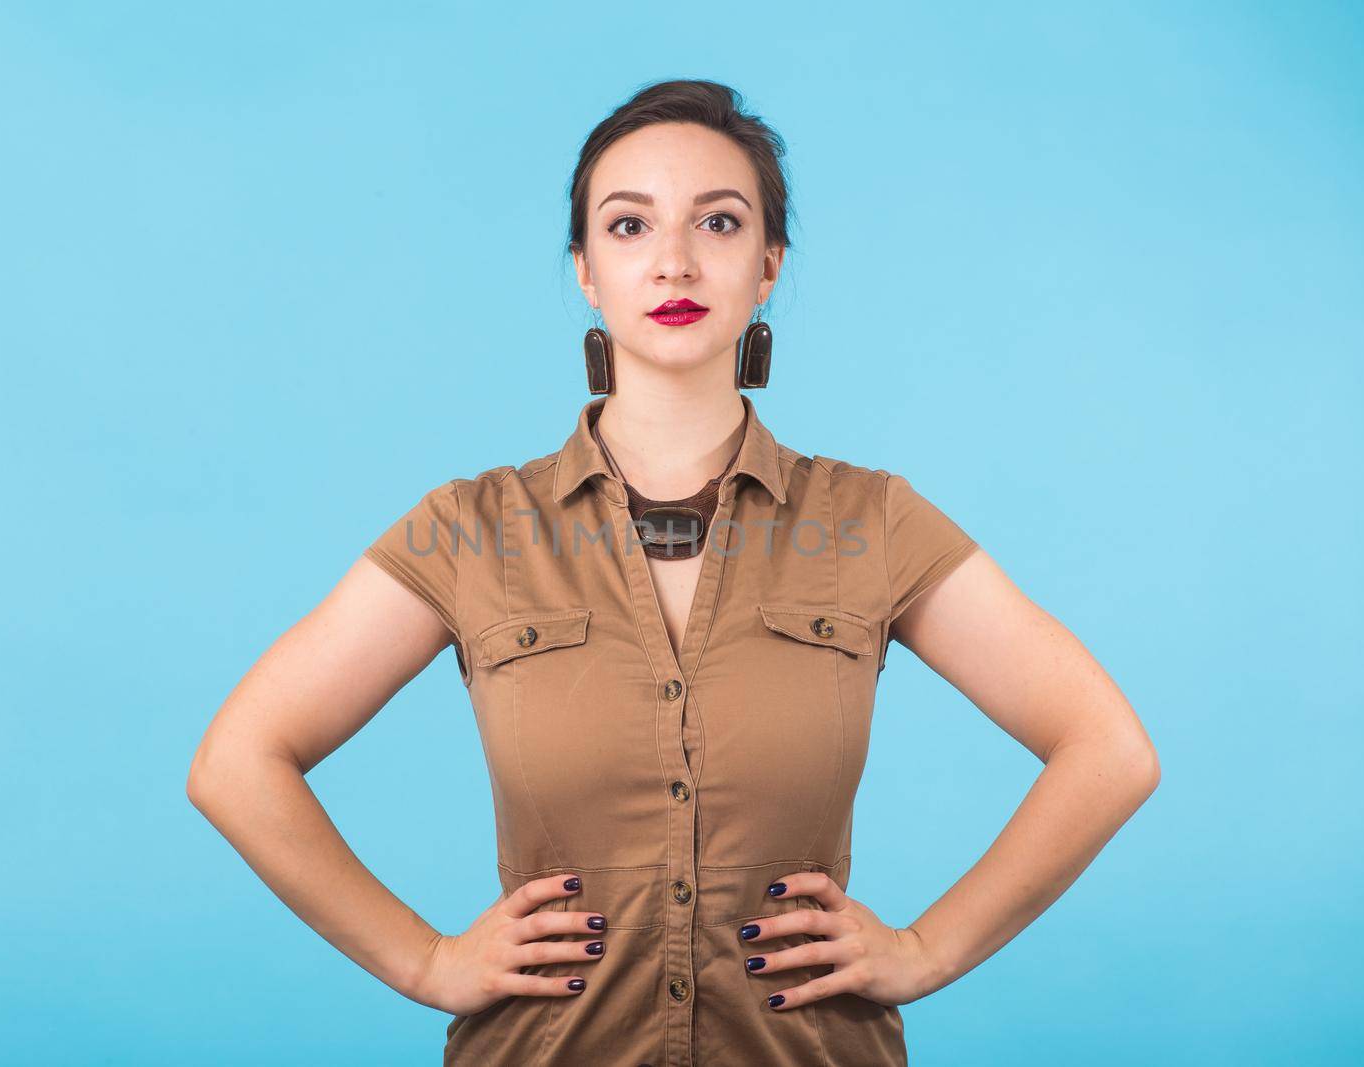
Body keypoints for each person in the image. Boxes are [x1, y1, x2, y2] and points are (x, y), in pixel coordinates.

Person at [186, 78, 1160, 1067]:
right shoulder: (472, 529)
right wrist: (426, 961)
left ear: (769, 265)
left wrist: (925, 947)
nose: (675, 260)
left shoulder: (871, 523)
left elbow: (1108, 749)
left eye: (720, 222)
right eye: (628, 224)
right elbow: (237, 761)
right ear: (584, 271)